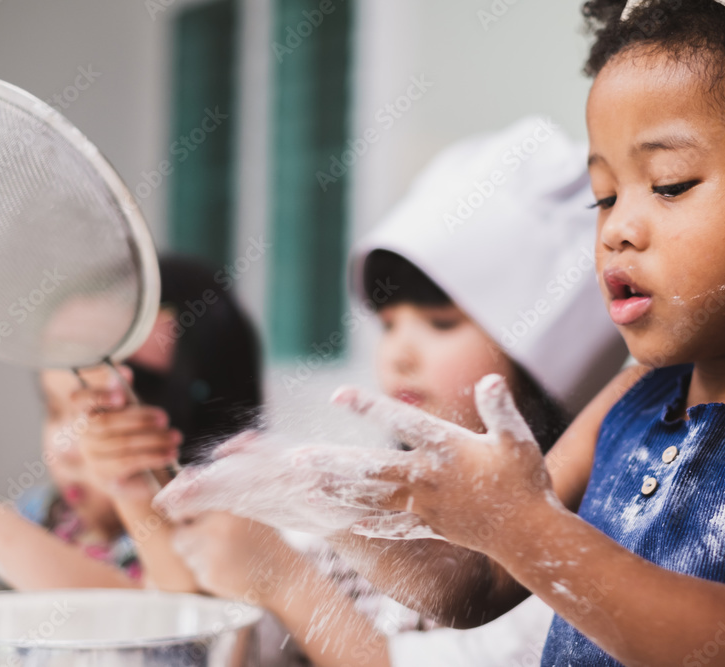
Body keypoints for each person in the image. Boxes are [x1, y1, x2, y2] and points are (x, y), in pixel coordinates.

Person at [160, 1, 725, 665]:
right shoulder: (641, 394)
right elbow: (473, 582)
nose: (620, 229)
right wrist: (327, 505)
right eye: (604, 195)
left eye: (669, 185)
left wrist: (523, 525)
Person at [157, 118, 629, 666]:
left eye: (439, 323)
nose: (399, 353)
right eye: (388, 324)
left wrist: (284, 579)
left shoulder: (580, 542)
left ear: (537, 356)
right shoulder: (379, 500)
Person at [0, 255, 262, 595]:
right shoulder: (43, 513)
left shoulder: (218, 551)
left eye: (100, 417)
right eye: (55, 410)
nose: (64, 448)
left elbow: (152, 622)